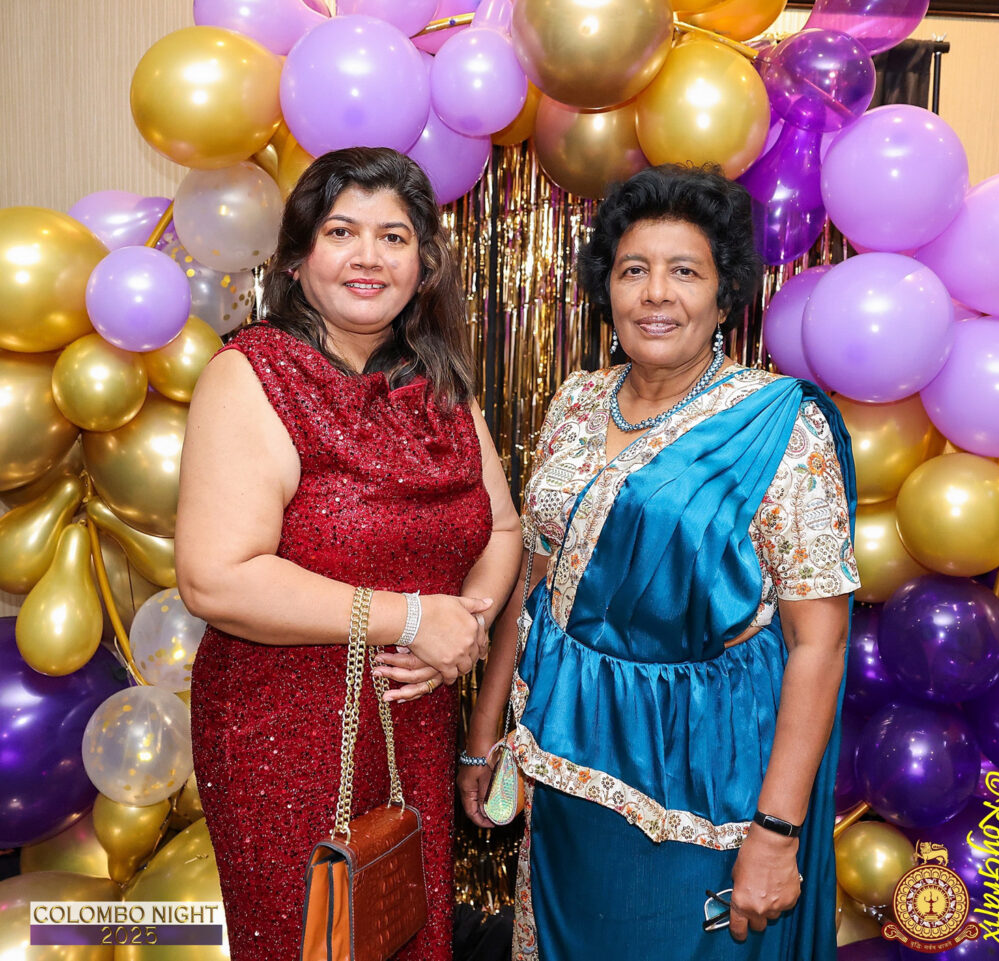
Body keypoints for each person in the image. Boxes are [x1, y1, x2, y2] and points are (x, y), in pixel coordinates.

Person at [459, 165, 860, 961]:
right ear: (606, 287)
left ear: (724, 294)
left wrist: (776, 832)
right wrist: (483, 734)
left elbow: (819, 642)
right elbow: (535, 585)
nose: (655, 295)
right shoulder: (576, 400)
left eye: (685, 272)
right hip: (562, 767)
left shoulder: (780, 427)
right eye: (633, 270)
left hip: (708, 787)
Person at [176, 147, 521, 961]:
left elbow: (502, 530)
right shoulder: (252, 374)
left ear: (423, 266)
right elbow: (215, 577)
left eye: (393, 237)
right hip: (283, 730)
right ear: (297, 259)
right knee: (310, 940)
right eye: (341, 232)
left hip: (411, 716)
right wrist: (414, 620)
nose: (369, 256)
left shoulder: (440, 385)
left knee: (402, 925)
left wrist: (460, 628)